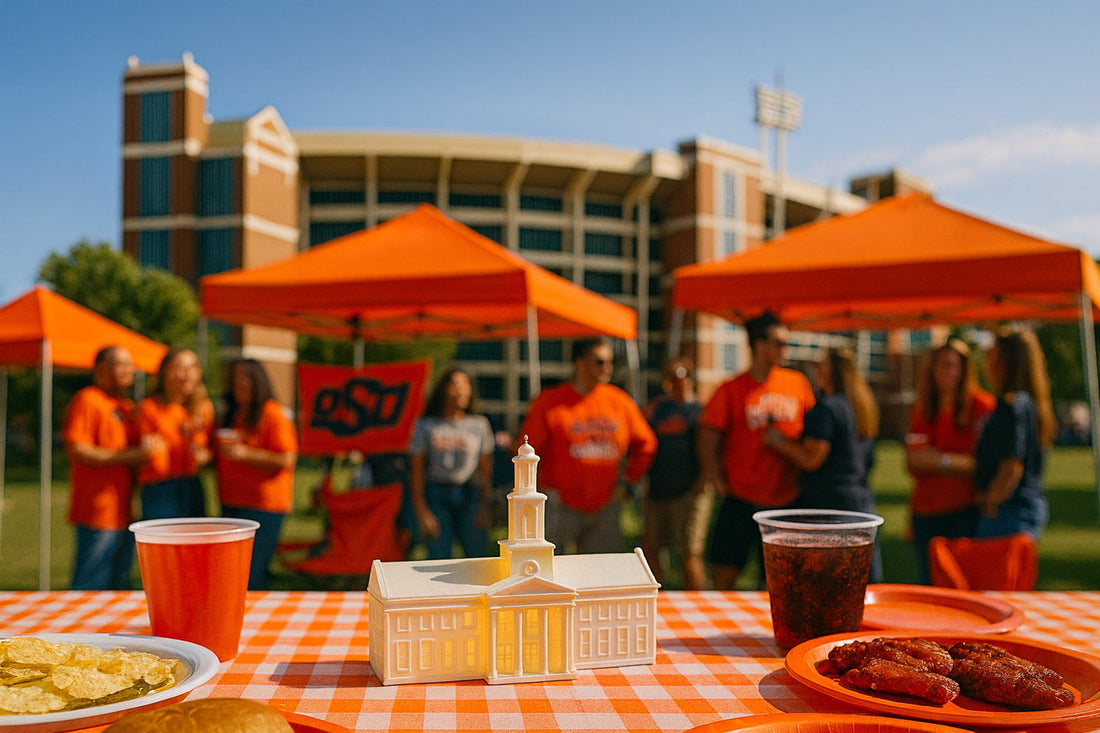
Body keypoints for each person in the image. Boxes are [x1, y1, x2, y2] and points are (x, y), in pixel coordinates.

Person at [697, 311, 815, 590]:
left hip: (786, 500)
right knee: (724, 576)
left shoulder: (797, 382)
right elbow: (708, 434)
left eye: (786, 343)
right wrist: (715, 477)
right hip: (741, 497)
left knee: (783, 583)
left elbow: (814, 432)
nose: (785, 349)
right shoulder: (732, 388)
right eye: (778, 343)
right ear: (758, 345)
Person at [517, 337, 657, 555]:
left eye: (611, 362)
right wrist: (537, 491)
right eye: (600, 362)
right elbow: (526, 449)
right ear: (579, 363)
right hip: (559, 505)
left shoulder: (619, 402)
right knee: (548, 569)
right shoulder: (550, 401)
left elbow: (646, 444)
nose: (608, 368)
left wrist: (627, 481)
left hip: (604, 505)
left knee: (599, 574)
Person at [764, 346, 885, 582]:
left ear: (832, 371)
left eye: (822, 363)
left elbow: (812, 459)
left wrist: (778, 442)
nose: (817, 368)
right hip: (860, 503)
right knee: (862, 582)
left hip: (830, 506)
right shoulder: (861, 406)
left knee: (829, 584)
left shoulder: (827, 408)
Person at [62, 345, 155, 590]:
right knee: (92, 583)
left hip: (124, 511)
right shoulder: (88, 399)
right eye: (121, 364)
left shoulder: (125, 407)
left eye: (130, 365)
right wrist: (129, 456)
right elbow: (78, 450)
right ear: (101, 369)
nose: (128, 371)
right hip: (97, 511)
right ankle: (81, 629)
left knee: (118, 584)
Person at [905, 338, 996, 584]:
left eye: (951, 365)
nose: (945, 371)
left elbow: (984, 465)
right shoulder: (925, 406)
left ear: (964, 368)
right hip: (924, 512)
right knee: (928, 585)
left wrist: (940, 460)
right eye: (940, 365)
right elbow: (913, 462)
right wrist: (951, 463)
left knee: (957, 585)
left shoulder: (982, 406)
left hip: (960, 514)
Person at [215, 358, 298, 590]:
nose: (240, 382)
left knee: (250, 575)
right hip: (232, 502)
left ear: (259, 380)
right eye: (236, 377)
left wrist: (246, 454)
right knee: (231, 574)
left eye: (246, 376)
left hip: (263, 507)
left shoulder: (273, 414)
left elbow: (287, 459)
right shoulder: (232, 413)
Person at [973, 327, 1056, 539]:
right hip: (1025, 507)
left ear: (1006, 361)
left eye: (992, 354)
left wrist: (992, 501)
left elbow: (1012, 465)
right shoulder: (1031, 403)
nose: (986, 362)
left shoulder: (1011, 405)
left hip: (1009, 512)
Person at [409, 367, 495, 560]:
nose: (461, 390)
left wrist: (485, 504)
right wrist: (422, 510)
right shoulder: (426, 426)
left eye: (466, 385)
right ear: (443, 388)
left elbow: (486, 469)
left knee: (477, 559)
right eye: (456, 385)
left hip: (470, 495)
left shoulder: (479, 425)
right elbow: (417, 471)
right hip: (437, 495)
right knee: (439, 557)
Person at [641, 357, 701, 587]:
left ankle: (699, 600)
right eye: (675, 377)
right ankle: (660, 597)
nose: (680, 382)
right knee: (651, 547)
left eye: (685, 377)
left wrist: (702, 482)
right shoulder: (655, 409)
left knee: (689, 551)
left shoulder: (698, 411)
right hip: (657, 490)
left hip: (687, 491)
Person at [137, 347, 214, 520]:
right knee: (163, 544)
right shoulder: (150, 408)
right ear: (165, 373)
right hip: (160, 487)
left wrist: (204, 456)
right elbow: (143, 449)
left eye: (192, 367)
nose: (186, 374)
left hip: (192, 485)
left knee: (195, 543)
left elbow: (210, 448)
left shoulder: (203, 408)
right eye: (179, 367)